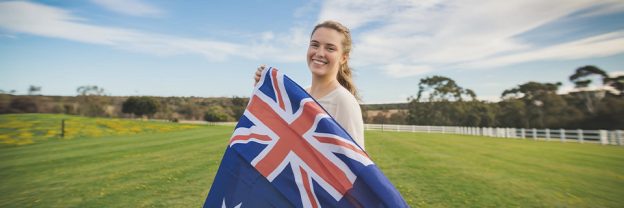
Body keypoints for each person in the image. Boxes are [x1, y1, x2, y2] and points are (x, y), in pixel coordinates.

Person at [254, 20, 365, 150]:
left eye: (330, 48)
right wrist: (263, 89)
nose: (319, 53)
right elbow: (273, 132)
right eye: (315, 45)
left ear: (343, 58)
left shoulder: (343, 101)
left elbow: (357, 163)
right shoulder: (301, 94)